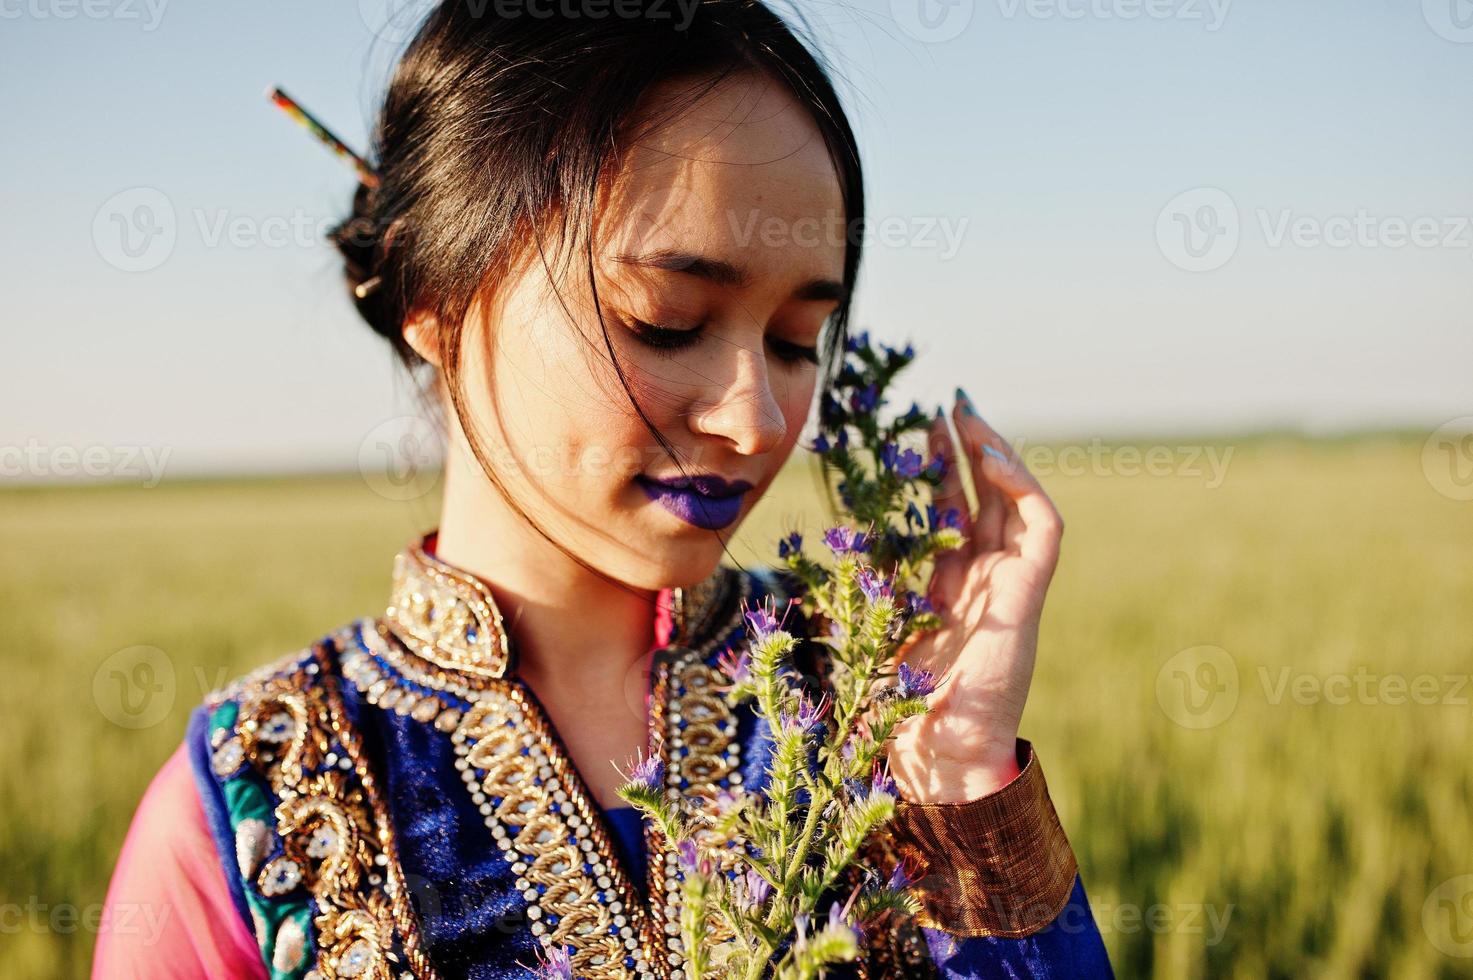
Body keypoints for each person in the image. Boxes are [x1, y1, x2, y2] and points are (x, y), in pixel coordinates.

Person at [94, 2, 1113, 977]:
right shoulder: (251, 798)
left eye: (797, 340)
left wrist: (963, 775)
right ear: (438, 298)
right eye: (666, 319)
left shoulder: (859, 702)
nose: (757, 418)